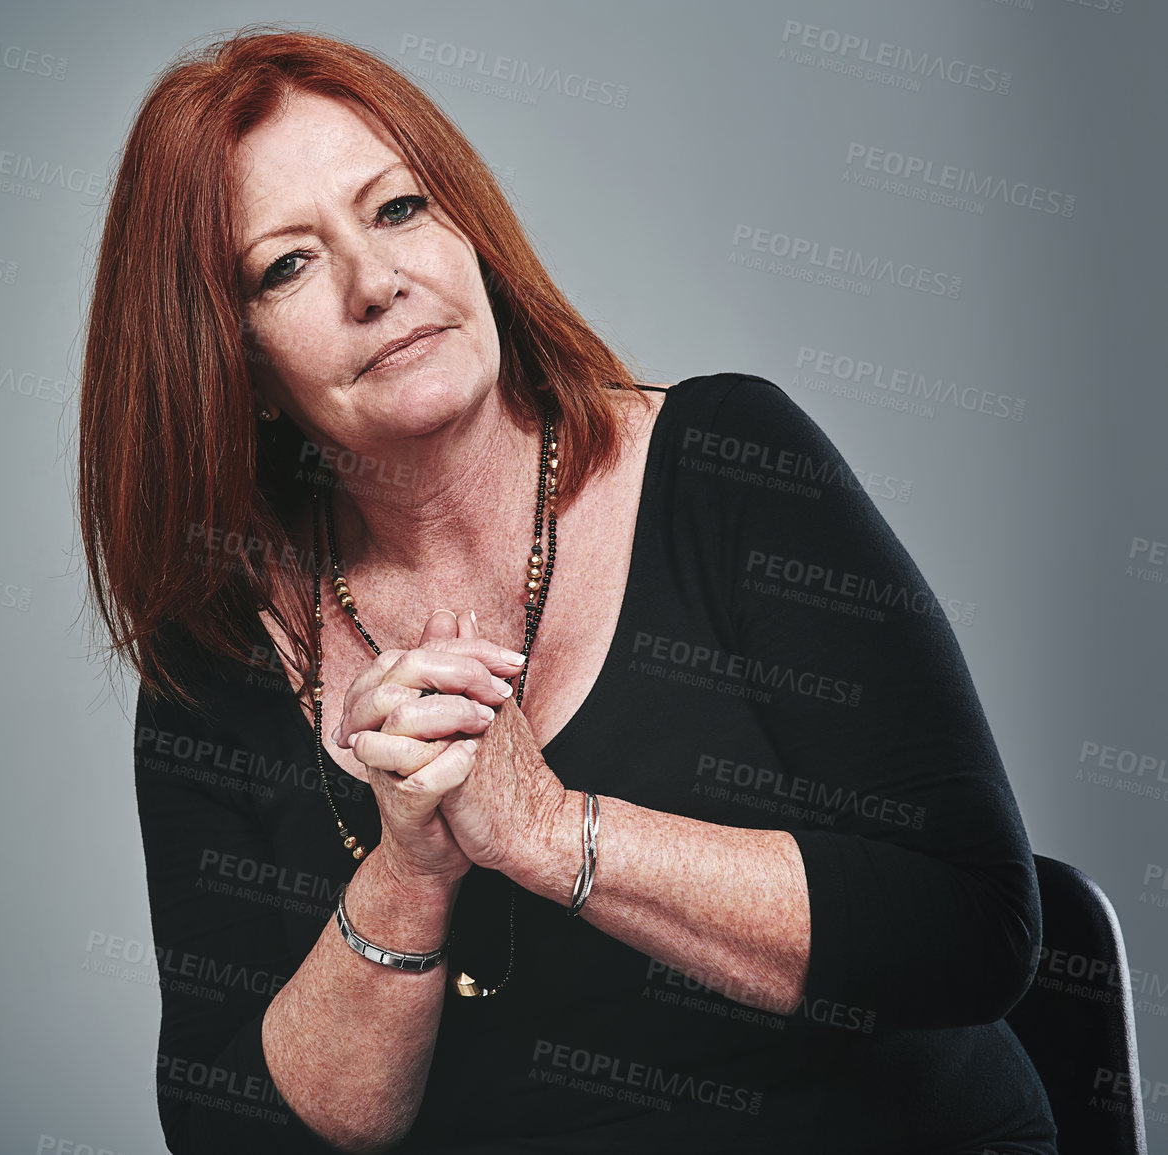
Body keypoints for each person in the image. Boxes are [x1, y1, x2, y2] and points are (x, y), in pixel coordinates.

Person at [77, 27, 1056, 1155]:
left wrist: (548, 831)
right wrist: (411, 866)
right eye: (286, 265)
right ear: (234, 363)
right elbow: (227, 1134)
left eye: (398, 209)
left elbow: (973, 925)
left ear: (468, 232)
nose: (377, 281)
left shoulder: (732, 464)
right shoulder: (218, 659)